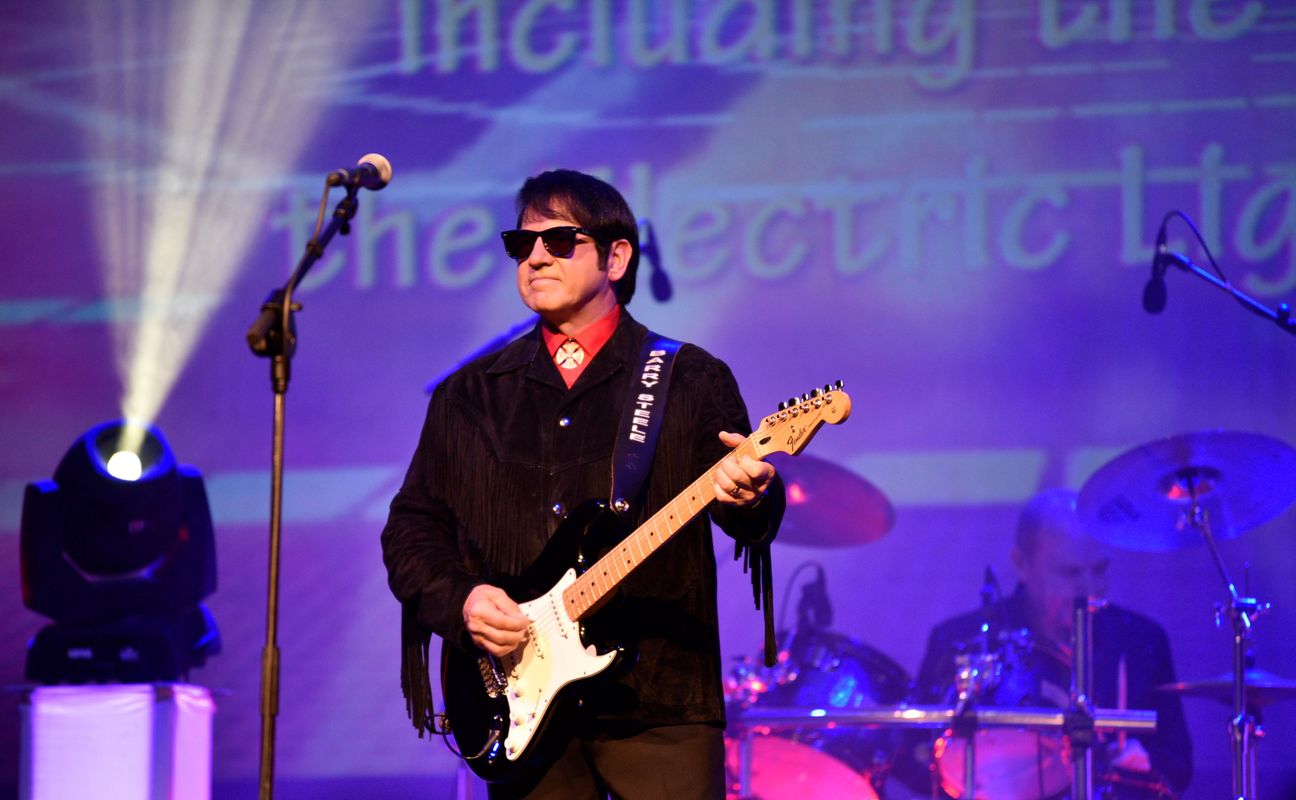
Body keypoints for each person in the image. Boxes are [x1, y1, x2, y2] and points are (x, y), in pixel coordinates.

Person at [380, 169, 784, 800]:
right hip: (520, 700)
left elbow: (746, 512)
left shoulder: (689, 377)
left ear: (616, 258)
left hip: (658, 702)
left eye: (561, 240)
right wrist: (463, 600)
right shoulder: (469, 394)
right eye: (522, 243)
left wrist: (750, 493)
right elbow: (412, 529)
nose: (536, 257)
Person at [907, 488, 1192, 798]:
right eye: (1070, 573)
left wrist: (1146, 764)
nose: (1090, 588)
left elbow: (1179, 763)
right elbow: (915, 756)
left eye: (1099, 570)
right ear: (1021, 564)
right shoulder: (960, 641)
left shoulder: (1141, 641)